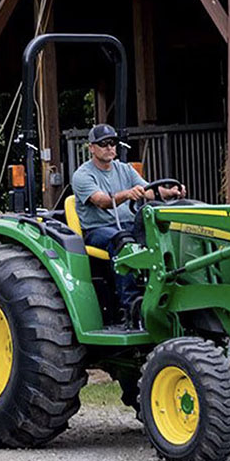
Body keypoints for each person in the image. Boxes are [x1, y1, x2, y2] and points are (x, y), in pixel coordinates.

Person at [72, 123, 185, 322]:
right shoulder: (82, 175)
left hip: (127, 224)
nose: (109, 147)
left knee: (163, 235)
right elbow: (102, 202)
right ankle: (131, 305)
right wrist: (127, 194)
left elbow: (148, 191)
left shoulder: (124, 169)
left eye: (113, 142)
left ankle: (166, 293)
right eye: (103, 143)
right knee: (123, 242)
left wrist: (171, 193)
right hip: (98, 229)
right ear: (91, 148)